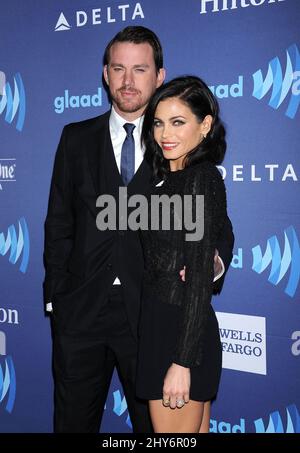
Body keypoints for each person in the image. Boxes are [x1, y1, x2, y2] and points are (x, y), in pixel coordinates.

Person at [43, 26, 234, 433]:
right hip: (80, 315)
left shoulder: (176, 144)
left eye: (140, 69)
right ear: (106, 74)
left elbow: (218, 226)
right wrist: (56, 299)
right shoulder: (75, 139)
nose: (128, 81)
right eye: (118, 68)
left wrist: (209, 264)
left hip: (151, 315)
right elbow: (59, 222)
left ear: (159, 76)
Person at [136, 75, 229, 433]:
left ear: (205, 126)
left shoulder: (200, 179)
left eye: (178, 122)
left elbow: (199, 276)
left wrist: (182, 361)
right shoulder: (167, 178)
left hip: (178, 334)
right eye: (158, 122)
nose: (164, 134)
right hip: (162, 326)